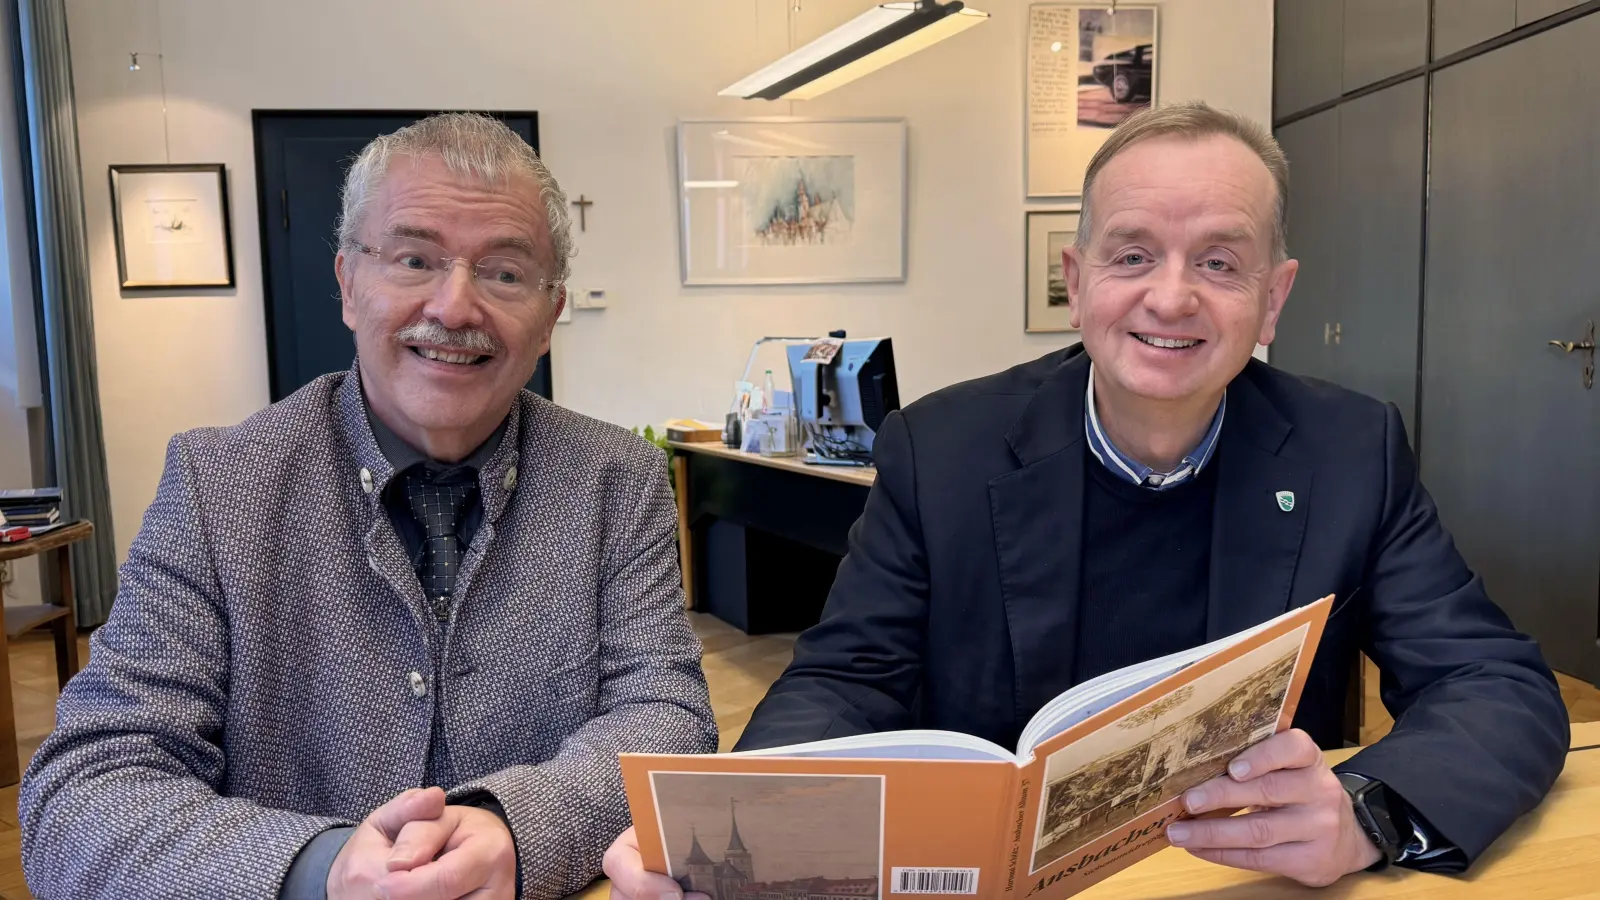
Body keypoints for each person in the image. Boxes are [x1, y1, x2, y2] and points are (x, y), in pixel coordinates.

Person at [604, 102, 1569, 899]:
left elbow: (1496, 685)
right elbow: (848, 680)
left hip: (1230, 880)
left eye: (1221, 263)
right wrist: (744, 830)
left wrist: (1367, 813)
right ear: (1077, 281)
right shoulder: (943, 449)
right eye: (1133, 254)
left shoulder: (1350, 450)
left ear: (1275, 300)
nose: (1173, 298)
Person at [20, 113, 716, 900]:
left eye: (505, 273)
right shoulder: (220, 485)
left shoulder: (616, 479)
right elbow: (83, 792)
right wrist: (323, 868)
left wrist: (515, 829)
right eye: (414, 259)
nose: (455, 308)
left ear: (551, 315)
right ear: (349, 284)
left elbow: (667, 721)